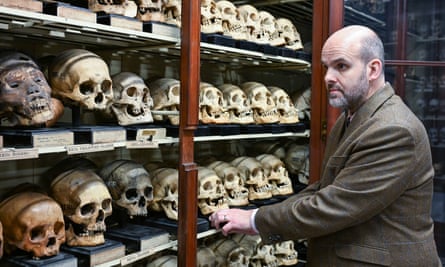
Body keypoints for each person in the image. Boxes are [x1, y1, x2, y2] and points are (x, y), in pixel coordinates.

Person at [209, 25, 442, 266]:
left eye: (341, 66)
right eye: (326, 67)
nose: (328, 77)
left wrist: (254, 220)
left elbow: (335, 205)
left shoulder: (393, 129)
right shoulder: (351, 117)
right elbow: (326, 188)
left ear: (373, 69)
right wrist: (259, 215)